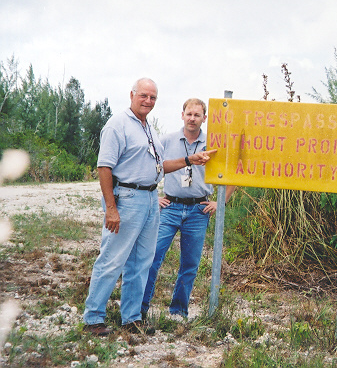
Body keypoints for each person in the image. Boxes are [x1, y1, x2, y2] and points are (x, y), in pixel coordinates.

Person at [83, 79, 214, 336]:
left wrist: (189, 160)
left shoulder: (148, 129)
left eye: (153, 97)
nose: (148, 101)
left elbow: (159, 167)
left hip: (151, 199)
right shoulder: (118, 124)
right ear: (132, 95)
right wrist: (111, 207)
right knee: (112, 259)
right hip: (127, 198)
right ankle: (94, 318)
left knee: (141, 262)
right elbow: (104, 167)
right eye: (144, 95)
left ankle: (131, 318)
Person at [141, 98, 235, 318]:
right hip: (170, 207)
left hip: (198, 210)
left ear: (205, 118)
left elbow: (233, 174)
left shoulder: (213, 143)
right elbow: (148, 167)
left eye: (197, 115)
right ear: (181, 115)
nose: (192, 119)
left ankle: (178, 311)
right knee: (152, 257)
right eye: (189, 114)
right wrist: (154, 196)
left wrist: (219, 202)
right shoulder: (167, 140)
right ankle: (140, 309)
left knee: (190, 264)